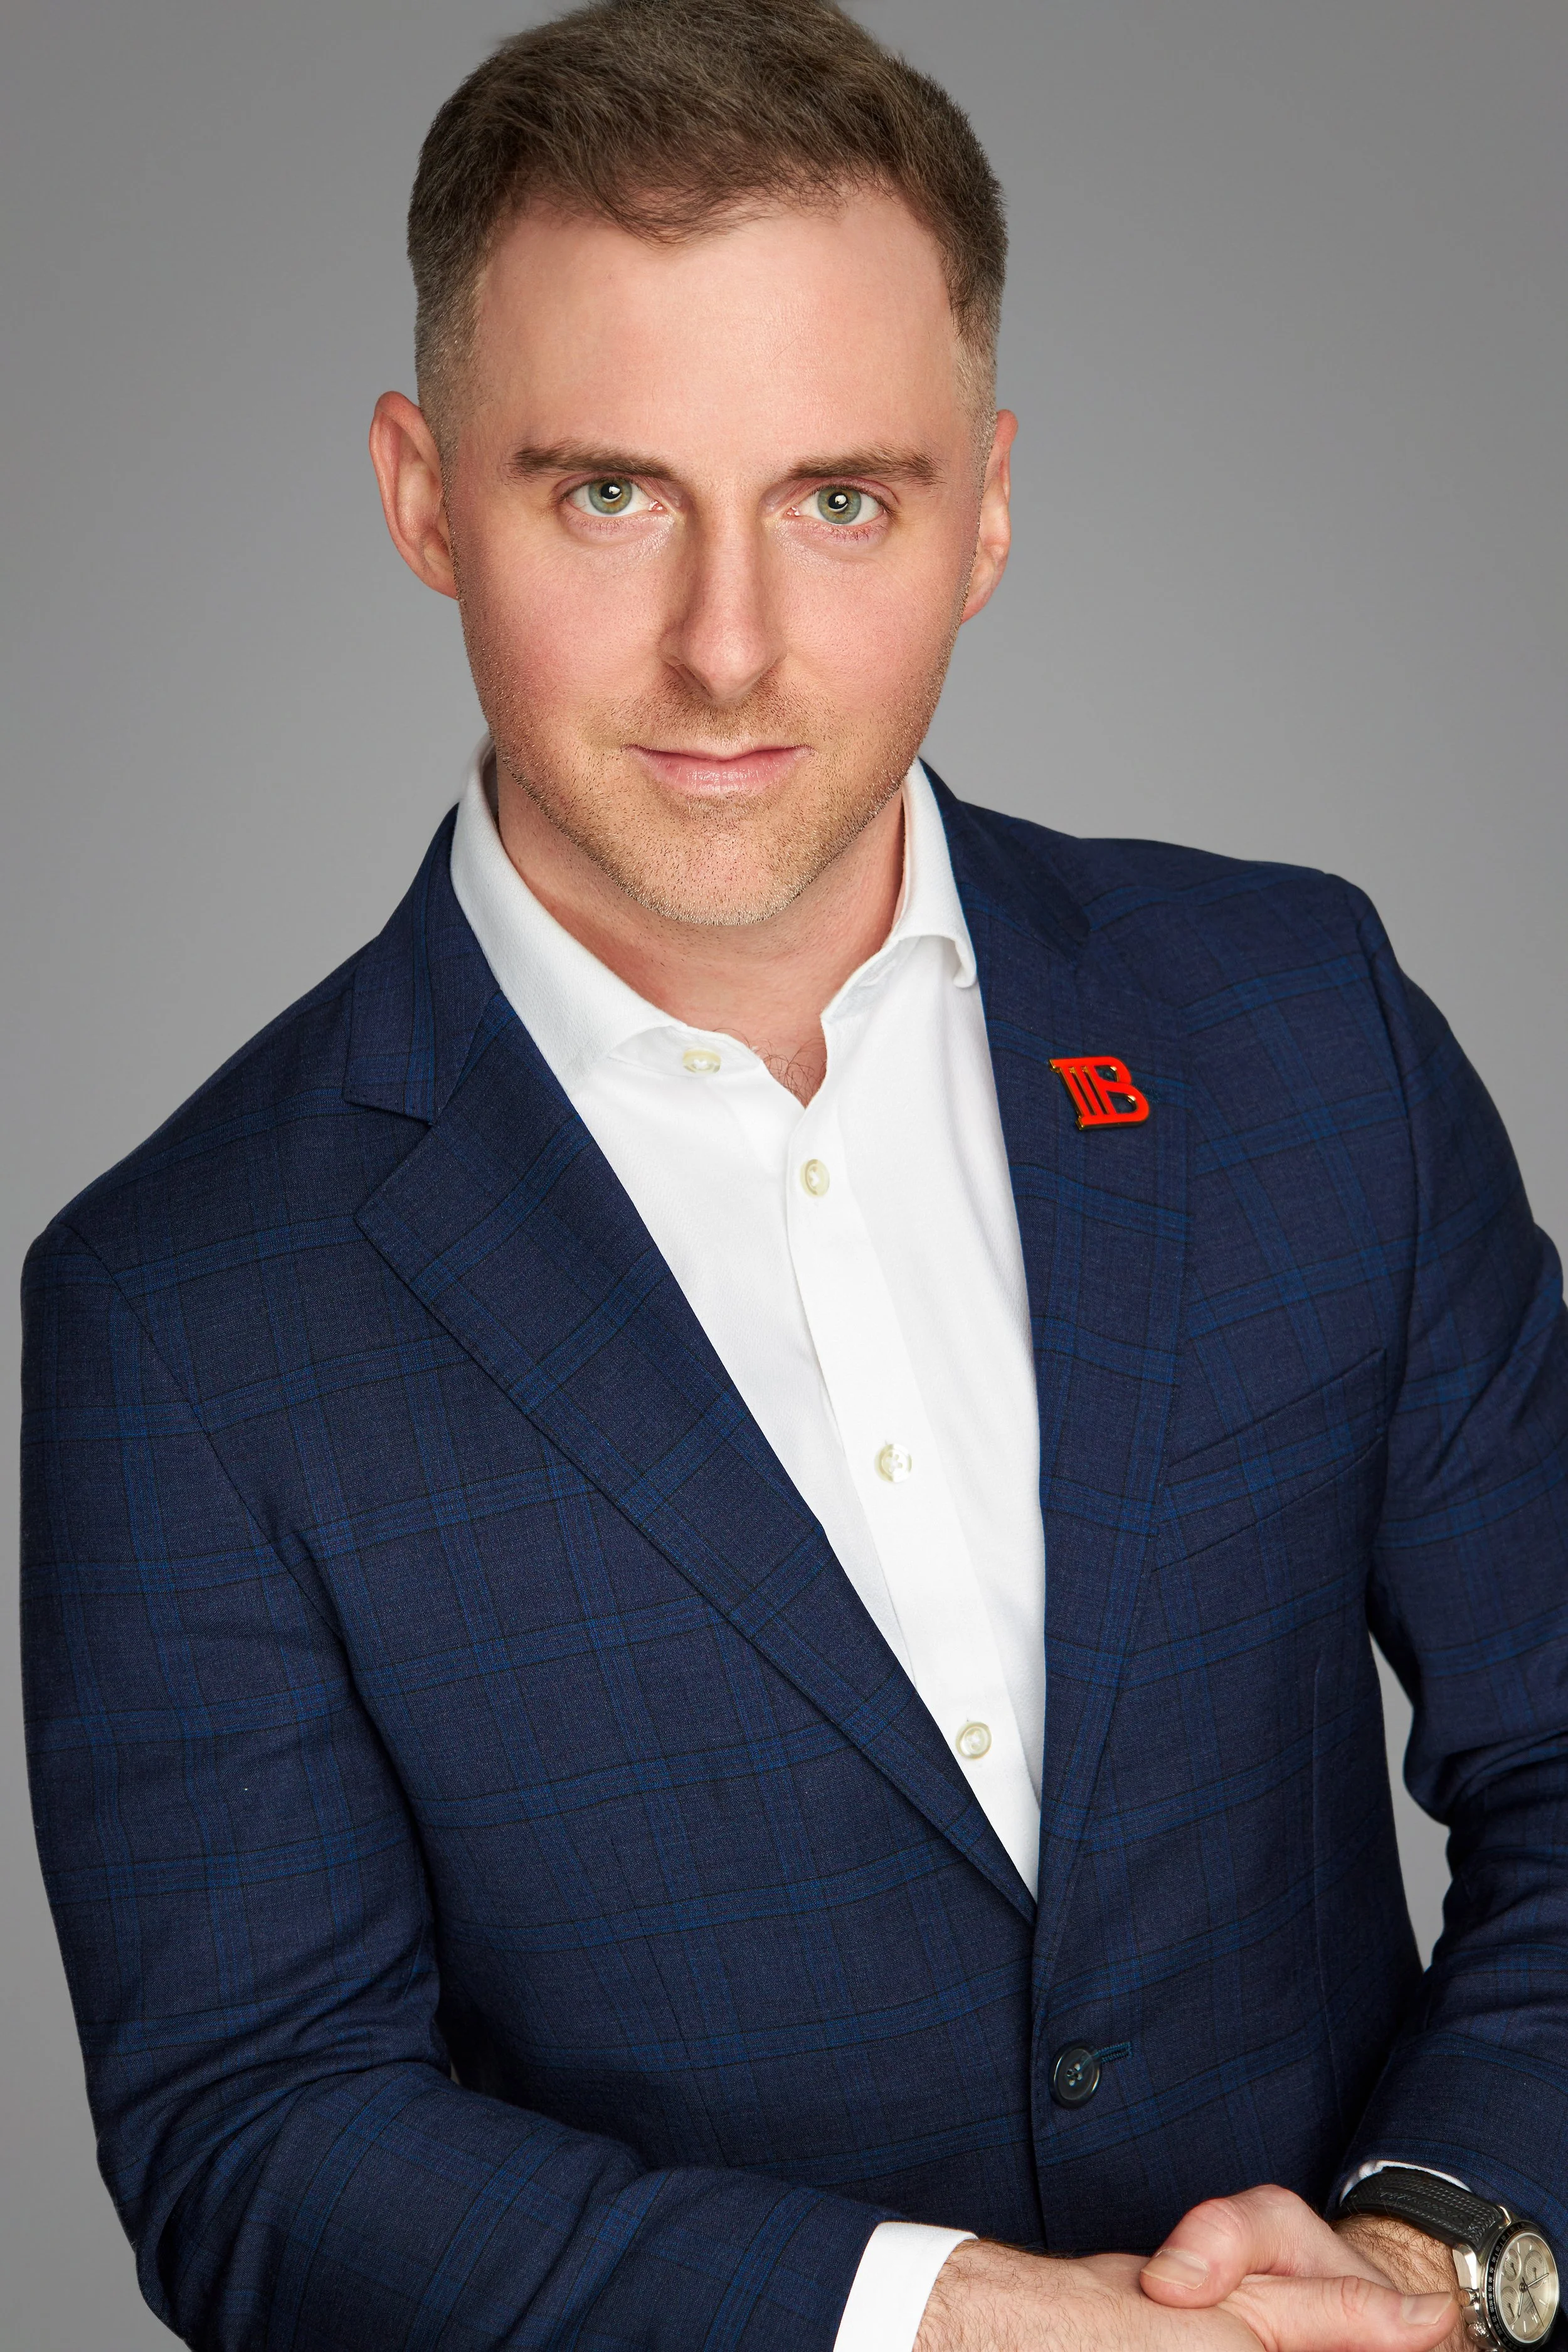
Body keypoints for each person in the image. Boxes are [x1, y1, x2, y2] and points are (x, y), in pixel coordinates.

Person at [21, 2, 1568, 2348]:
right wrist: (933, 2314)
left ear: (988, 506)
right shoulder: (177, 1305)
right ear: (424, 492)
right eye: (607, 492)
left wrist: (1432, 2246)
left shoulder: (1300, 1020)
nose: (728, 647)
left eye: (841, 496)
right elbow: (259, 2135)